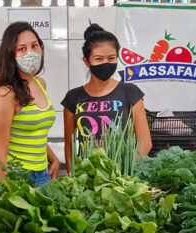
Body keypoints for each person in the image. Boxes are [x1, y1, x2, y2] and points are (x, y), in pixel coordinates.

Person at [62, 24, 152, 173]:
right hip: (87, 178)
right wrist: (74, 178)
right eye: (98, 59)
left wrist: (124, 173)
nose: (106, 63)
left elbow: (145, 142)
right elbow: (69, 147)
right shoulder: (73, 97)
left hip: (122, 179)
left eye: (111, 58)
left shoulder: (130, 92)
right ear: (87, 61)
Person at [0, 21, 59, 186]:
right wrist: (4, 191)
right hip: (16, 176)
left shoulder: (41, 83)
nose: (31, 53)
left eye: (34, 46)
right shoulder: (5, 93)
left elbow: (35, 134)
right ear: (11, 55)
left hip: (42, 174)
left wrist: (53, 159)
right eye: (22, 49)